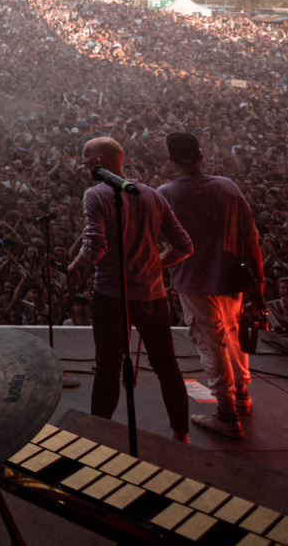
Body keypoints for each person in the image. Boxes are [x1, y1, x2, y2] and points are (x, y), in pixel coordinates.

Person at [67, 137, 195, 443]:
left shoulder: (96, 194)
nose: (84, 165)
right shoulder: (152, 195)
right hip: (153, 297)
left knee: (108, 368)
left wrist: (76, 267)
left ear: (100, 158)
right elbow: (184, 246)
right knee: (167, 365)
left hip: (112, 297)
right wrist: (154, 265)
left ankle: (98, 437)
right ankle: (181, 435)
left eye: (86, 159)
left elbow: (95, 246)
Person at [159, 131, 263, 439]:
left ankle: (226, 414)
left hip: (192, 279)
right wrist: (259, 282)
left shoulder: (167, 193)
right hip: (232, 277)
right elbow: (250, 236)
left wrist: (154, 266)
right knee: (234, 333)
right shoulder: (227, 187)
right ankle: (242, 395)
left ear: (171, 160)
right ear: (201, 156)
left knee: (210, 340)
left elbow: (162, 241)